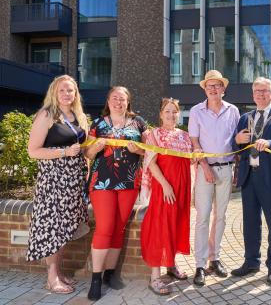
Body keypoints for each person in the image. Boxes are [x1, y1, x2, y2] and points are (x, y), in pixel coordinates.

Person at [26, 75, 89, 294]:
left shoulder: (78, 116)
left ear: (75, 94)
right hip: (53, 182)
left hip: (73, 183)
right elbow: (32, 151)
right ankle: (51, 278)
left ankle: (59, 272)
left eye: (70, 90)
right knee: (53, 229)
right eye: (62, 90)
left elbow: (83, 148)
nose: (66, 94)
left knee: (64, 230)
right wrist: (63, 152)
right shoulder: (47, 114)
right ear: (54, 92)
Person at [84, 86, 147, 301]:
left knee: (119, 228)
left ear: (128, 101)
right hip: (102, 182)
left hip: (129, 181)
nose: (118, 102)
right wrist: (96, 147)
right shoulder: (98, 124)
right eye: (114, 98)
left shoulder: (138, 122)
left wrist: (138, 149)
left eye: (122, 99)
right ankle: (95, 279)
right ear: (108, 101)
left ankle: (110, 275)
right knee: (104, 227)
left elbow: (150, 150)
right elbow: (88, 154)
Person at [231, 77, 271, 284]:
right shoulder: (244, 117)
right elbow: (237, 146)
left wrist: (270, 142)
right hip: (249, 177)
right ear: (253, 94)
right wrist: (236, 141)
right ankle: (251, 262)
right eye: (257, 90)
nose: (260, 94)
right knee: (250, 223)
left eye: (264, 91)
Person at [188, 70, 240, 286]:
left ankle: (214, 258)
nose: (213, 89)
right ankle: (199, 265)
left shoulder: (233, 111)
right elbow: (194, 142)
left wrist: (236, 167)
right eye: (209, 86)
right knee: (203, 217)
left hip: (227, 168)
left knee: (221, 216)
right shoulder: (196, 111)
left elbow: (237, 142)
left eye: (217, 85)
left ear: (223, 88)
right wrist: (205, 167)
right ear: (205, 89)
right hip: (204, 170)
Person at [140, 98, 192, 295]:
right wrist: (165, 185)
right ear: (161, 114)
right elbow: (151, 162)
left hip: (182, 187)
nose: (171, 115)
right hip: (165, 187)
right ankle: (155, 277)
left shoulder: (185, 136)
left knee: (176, 225)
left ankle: (171, 264)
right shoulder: (154, 134)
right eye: (167, 111)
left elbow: (189, 161)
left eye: (174, 112)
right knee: (161, 227)